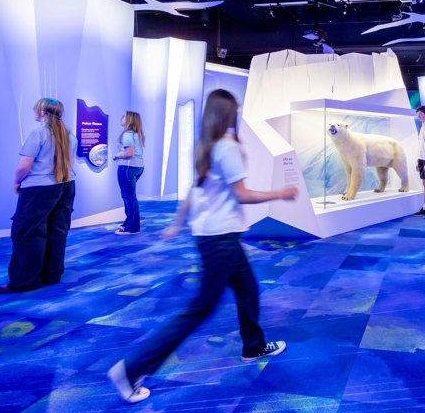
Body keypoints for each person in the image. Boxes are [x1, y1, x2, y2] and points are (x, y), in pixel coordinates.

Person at [108, 89, 297, 404]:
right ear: (228, 113)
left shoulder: (206, 145)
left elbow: (194, 191)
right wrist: (281, 193)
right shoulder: (225, 147)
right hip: (220, 240)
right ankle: (130, 370)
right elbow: (242, 195)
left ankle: (253, 345)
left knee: (248, 288)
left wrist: (178, 223)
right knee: (199, 309)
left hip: (217, 236)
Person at [0, 98, 77, 294]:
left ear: (42, 110)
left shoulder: (39, 133)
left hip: (38, 189)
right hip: (66, 186)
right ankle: (52, 275)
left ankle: (26, 280)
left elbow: (24, 166)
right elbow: (71, 164)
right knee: (57, 231)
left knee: (27, 232)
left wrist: (17, 182)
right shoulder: (70, 135)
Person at [113, 111, 145, 235]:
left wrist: (116, 155)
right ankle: (129, 222)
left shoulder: (127, 134)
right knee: (129, 196)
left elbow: (129, 153)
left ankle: (132, 227)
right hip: (137, 167)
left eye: (124, 116)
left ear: (130, 119)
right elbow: (140, 153)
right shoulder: (137, 134)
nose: (122, 117)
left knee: (129, 197)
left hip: (127, 168)